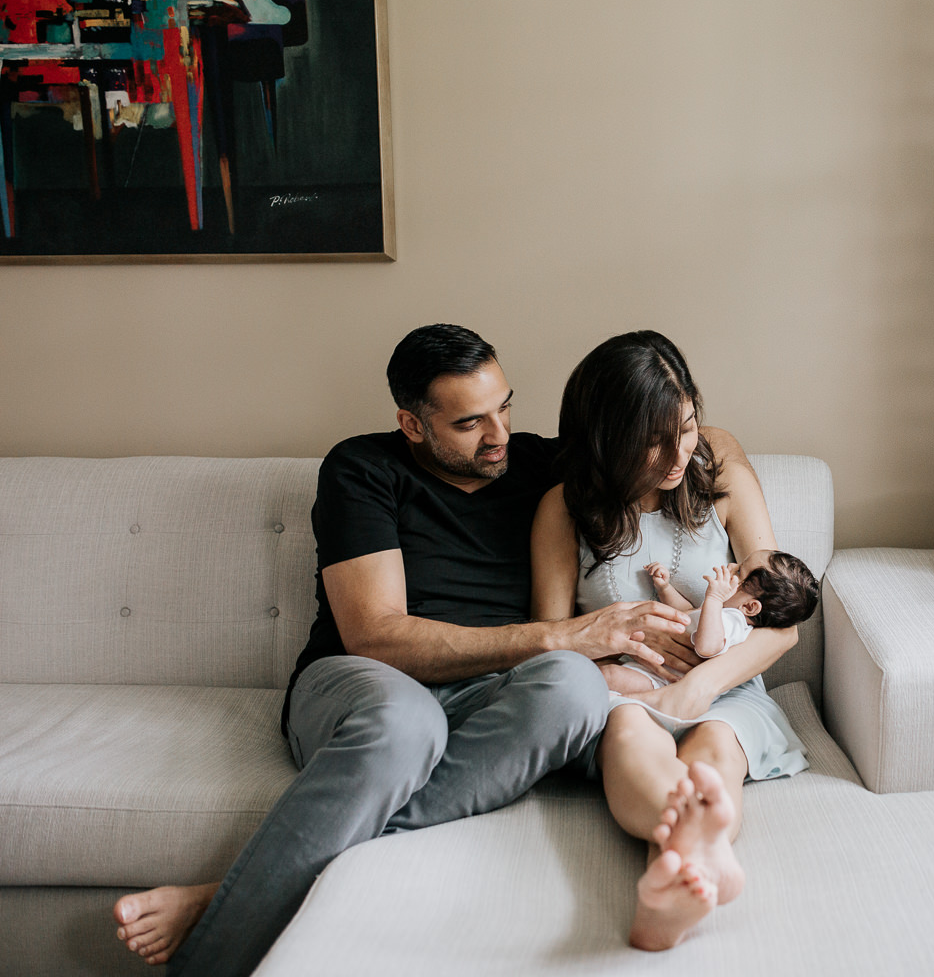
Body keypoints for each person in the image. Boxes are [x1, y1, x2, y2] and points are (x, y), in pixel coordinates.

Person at [111, 324, 691, 976]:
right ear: (413, 425)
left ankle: (239, 892)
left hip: (495, 690)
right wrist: (562, 635)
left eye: (504, 406)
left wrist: (700, 438)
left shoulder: (540, 464)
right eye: (470, 423)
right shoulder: (362, 469)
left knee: (577, 687)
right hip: (364, 681)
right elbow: (377, 638)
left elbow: (692, 448)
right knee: (407, 722)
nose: (499, 435)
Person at [531, 330, 808, 952]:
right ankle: (685, 863)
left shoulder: (725, 485)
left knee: (715, 747)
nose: (675, 454)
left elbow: (782, 622)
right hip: (623, 693)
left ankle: (670, 882)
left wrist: (702, 684)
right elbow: (547, 640)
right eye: (650, 441)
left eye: (685, 427)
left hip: (726, 687)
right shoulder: (565, 508)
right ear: (606, 440)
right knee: (632, 735)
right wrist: (611, 661)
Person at [604, 552, 820, 694]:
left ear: (750, 607)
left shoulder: (733, 622)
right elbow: (686, 615)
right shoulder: (721, 614)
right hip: (647, 666)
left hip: (662, 682)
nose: (731, 565)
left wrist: (714, 599)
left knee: (609, 676)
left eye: (739, 572)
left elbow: (707, 647)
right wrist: (665, 589)